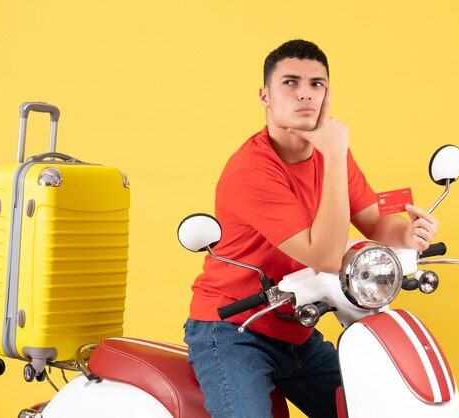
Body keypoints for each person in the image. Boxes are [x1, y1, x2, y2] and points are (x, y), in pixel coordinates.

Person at [184, 39, 439, 418]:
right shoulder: (252, 170)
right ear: (265, 96)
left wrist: (409, 234)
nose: (305, 93)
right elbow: (326, 256)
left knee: (368, 406)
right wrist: (334, 154)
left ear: (327, 94)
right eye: (290, 82)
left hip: (297, 329)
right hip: (234, 330)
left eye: (316, 84)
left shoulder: (331, 154)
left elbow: (372, 219)